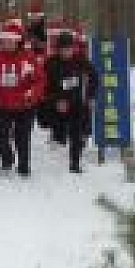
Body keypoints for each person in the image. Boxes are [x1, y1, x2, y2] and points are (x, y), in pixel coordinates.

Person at [0, 20, 42, 178]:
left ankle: (24, 165)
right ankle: (6, 162)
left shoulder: (28, 58)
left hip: (25, 105)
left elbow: (39, 80)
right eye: (5, 41)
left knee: (22, 136)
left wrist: (32, 93)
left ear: (18, 41)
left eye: (11, 41)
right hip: (2, 104)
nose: (8, 44)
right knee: (1, 136)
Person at [44, 32, 98, 173]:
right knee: (59, 133)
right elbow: (44, 87)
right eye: (63, 49)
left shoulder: (80, 60)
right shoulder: (50, 63)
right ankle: (57, 136)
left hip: (77, 104)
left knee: (77, 134)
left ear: (73, 48)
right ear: (58, 49)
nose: (66, 52)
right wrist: (56, 101)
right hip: (57, 105)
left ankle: (75, 163)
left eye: (68, 49)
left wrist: (90, 96)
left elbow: (94, 78)